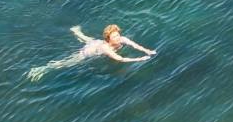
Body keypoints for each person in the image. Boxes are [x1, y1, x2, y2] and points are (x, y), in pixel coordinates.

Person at [27, 23, 156, 80]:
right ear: (108, 38)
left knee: (89, 39)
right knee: (67, 63)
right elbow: (120, 59)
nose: (117, 38)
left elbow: (135, 45)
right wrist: (140, 59)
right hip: (87, 52)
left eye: (118, 35)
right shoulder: (106, 48)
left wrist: (147, 51)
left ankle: (76, 31)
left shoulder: (122, 39)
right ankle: (42, 69)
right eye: (114, 37)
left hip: (95, 43)